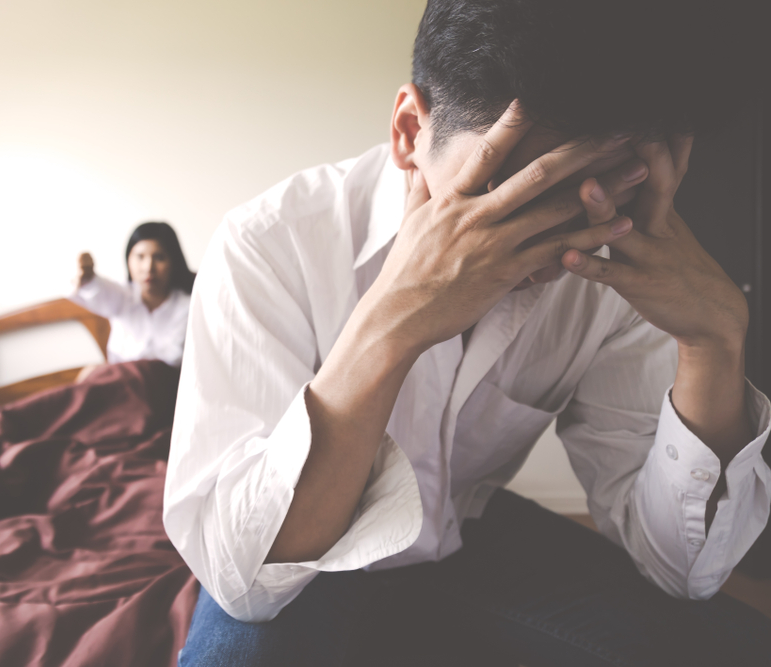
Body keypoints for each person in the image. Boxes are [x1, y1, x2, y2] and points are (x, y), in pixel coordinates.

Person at [163, 1, 771, 665]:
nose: (541, 253)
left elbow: (685, 570)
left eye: (589, 202)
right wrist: (394, 322)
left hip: (466, 529)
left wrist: (713, 346)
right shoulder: (268, 245)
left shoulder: (610, 255)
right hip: (304, 563)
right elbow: (245, 580)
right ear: (408, 131)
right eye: (507, 201)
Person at [71, 221, 194, 371]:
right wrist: (88, 277)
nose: (148, 267)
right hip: (119, 385)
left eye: (159, 257)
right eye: (140, 257)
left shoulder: (188, 307)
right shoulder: (123, 296)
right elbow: (99, 291)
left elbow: (172, 360)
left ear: (174, 261)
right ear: (128, 259)